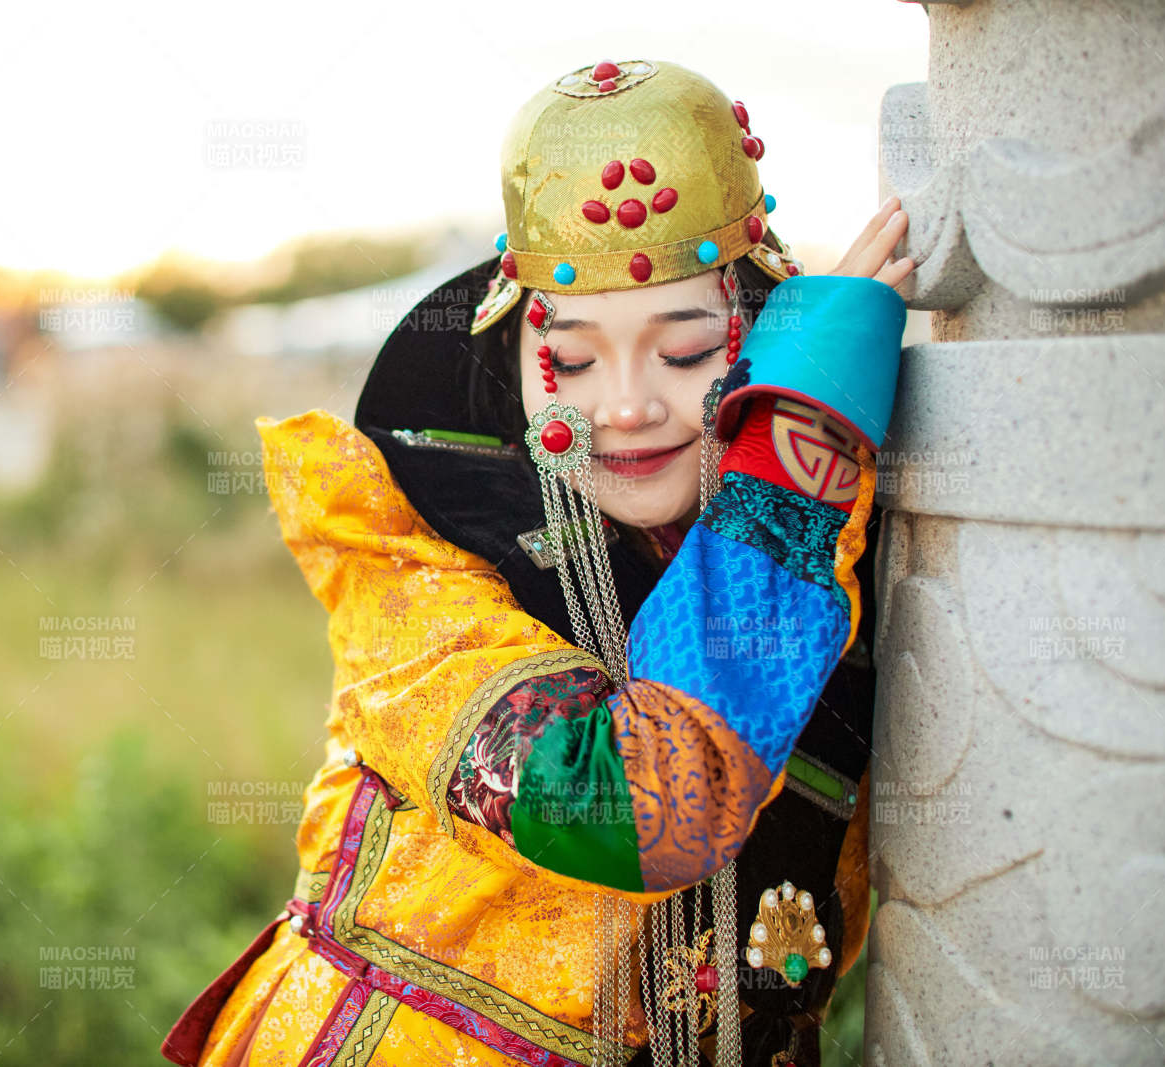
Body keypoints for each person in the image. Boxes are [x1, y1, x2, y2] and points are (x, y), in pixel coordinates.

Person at [162, 57, 913, 1067]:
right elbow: (642, 811)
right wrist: (798, 437)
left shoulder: (839, 550)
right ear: (510, 352)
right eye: (572, 355)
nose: (626, 405)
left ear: (760, 345)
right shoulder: (404, 563)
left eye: (686, 349)